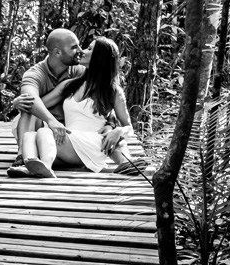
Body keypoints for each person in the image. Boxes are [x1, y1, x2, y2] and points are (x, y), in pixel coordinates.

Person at [21, 37, 147, 176]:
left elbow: (128, 126)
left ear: (100, 57)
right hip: (69, 141)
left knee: (44, 132)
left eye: (89, 49)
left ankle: (46, 167)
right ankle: (28, 165)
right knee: (29, 135)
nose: (82, 51)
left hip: (93, 142)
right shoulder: (70, 85)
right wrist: (18, 102)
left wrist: (118, 131)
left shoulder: (113, 91)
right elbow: (38, 104)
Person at [7, 28, 89, 178]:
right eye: (73, 47)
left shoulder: (79, 71)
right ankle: (21, 156)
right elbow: (29, 98)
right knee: (28, 105)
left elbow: (104, 91)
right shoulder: (34, 74)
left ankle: (39, 159)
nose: (80, 50)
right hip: (36, 125)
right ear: (57, 52)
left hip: (63, 129)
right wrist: (51, 121)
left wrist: (111, 124)